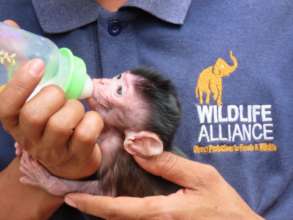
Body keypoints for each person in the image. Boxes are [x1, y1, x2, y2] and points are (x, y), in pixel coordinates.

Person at [0, 0, 292, 219]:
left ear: (141, 141)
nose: (100, 83)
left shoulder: (277, 18)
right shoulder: (10, 35)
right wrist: (43, 170)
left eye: (118, 87)